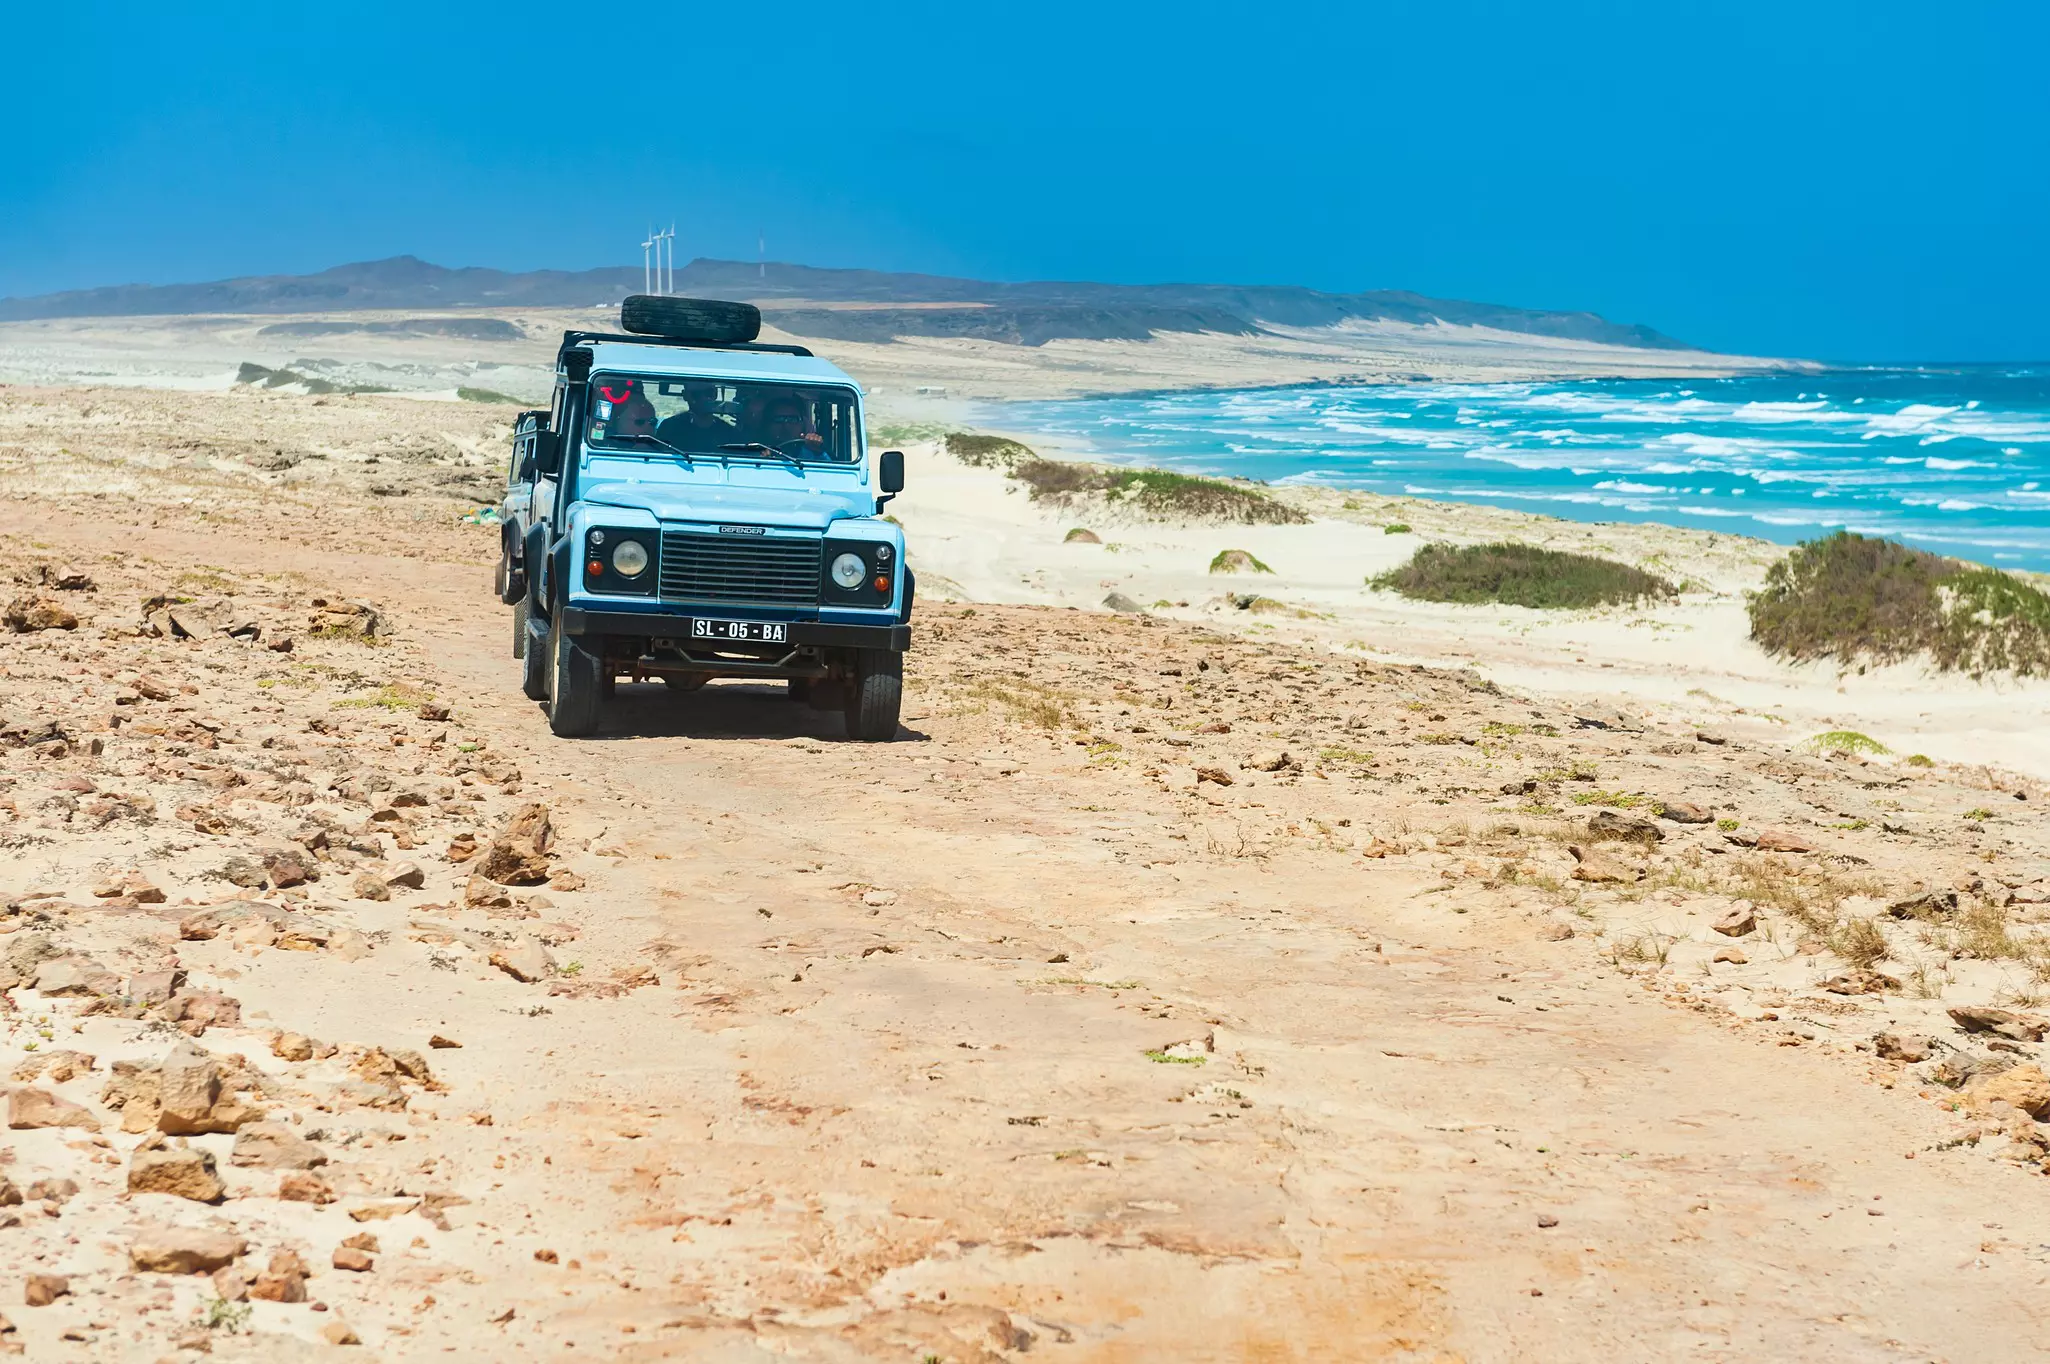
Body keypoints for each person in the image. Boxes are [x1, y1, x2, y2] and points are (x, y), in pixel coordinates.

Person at [655, 383, 733, 450]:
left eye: (709, 393)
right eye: (696, 394)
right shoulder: (669, 427)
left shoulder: (729, 432)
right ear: (685, 396)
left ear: (715, 394)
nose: (703, 399)